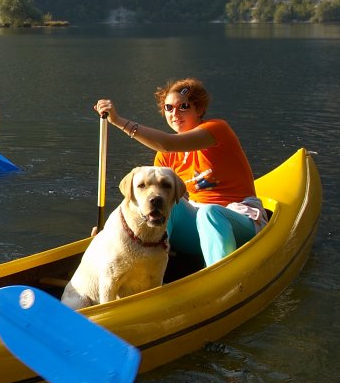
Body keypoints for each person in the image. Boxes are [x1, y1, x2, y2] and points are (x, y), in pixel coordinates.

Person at [94, 77, 265, 267]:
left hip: (240, 218)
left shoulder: (217, 129)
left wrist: (117, 121)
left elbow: (168, 143)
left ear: (199, 110)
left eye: (183, 106)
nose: (175, 113)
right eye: (169, 108)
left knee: (209, 213)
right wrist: (110, 230)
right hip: (197, 223)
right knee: (163, 202)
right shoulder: (164, 158)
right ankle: (146, 267)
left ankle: (222, 274)